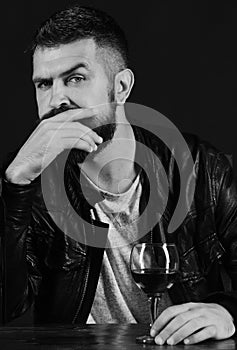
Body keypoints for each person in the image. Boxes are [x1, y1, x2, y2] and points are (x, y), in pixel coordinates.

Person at [0, 5, 237, 346]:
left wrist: (228, 312)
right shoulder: (25, 183)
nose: (55, 100)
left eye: (75, 78)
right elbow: (7, 305)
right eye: (43, 84)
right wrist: (16, 185)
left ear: (121, 87)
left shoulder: (200, 167)